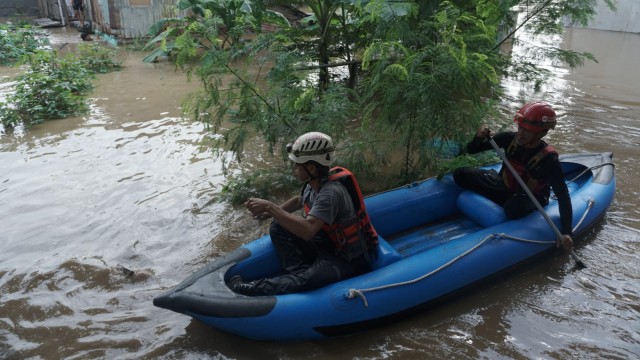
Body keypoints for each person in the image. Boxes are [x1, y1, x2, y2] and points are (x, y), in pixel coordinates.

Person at [229, 132, 373, 296]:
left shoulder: (330, 193)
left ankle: (250, 288)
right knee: (278, 225)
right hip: (326, 245)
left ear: (311, 168)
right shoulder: (314, 182)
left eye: (297, 165)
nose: (294, 168)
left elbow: (308, 230)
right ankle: (296, 272)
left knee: (305, 280)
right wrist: (267, 214)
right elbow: (299, 200)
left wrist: (270, 207)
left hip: (345, 259)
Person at [453, 102, 574, 252]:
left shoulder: (549, 160)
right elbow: (472, 149)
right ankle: (502, 196)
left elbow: (563, 195)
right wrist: (478, 137)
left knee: (513, 208)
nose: (521, 134)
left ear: (542, 132)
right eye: (520, 128)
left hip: (531, 197)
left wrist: (567, 232)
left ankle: (506, 201)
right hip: (504, 185)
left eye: (527, 131)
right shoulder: (509, 139)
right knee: (460, 175)